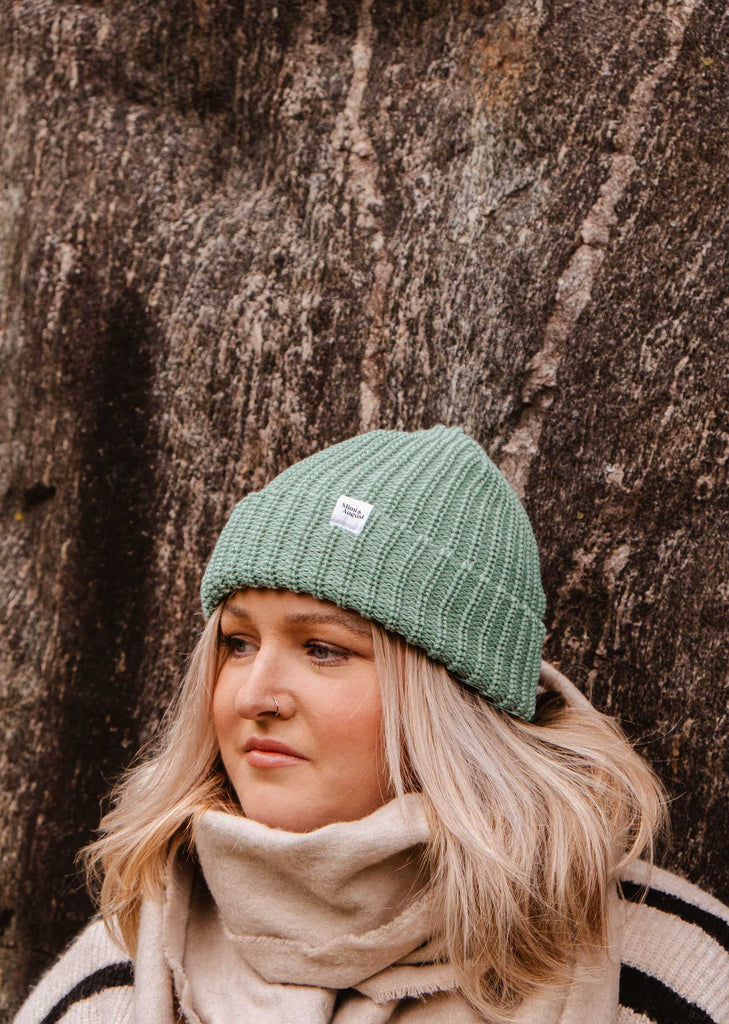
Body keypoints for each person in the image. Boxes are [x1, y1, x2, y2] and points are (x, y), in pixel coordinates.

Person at [13, 425, 729, 1024]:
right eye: (237, 643)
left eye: (322, 649)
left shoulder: (677, 970)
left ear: (453, 697)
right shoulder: (121, 970)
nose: (253, 696)